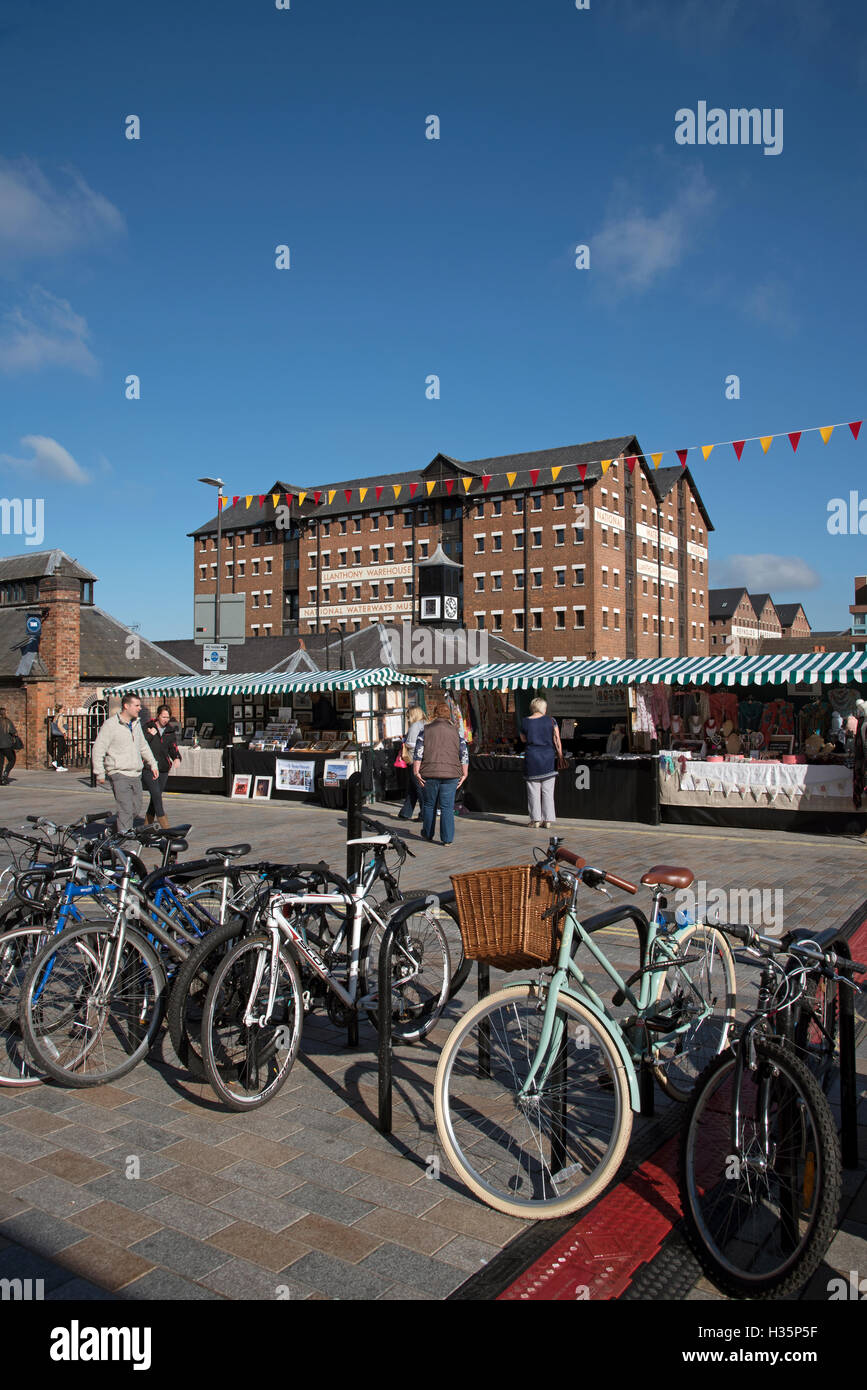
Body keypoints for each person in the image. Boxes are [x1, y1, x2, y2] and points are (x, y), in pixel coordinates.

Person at [91, 692, 160, 834]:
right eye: (137, 705)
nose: (140, 708)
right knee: (126, 809)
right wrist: (99, 772)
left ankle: (112, 832)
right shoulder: (111, 725)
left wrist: (153, 763)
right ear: (126, 706)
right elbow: (98, 749)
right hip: (119, 773)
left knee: (135, 809)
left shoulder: (136, 724)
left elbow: (143, 746)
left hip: (136, 774)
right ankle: (125, 846)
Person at [412, 702, 468, 846]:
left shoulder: (426, 730)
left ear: (435, 714)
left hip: (430, 772)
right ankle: (447, 839)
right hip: (451, 774)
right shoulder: (456, 732)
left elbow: (418, 752)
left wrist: (416, 771)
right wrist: (465, 773)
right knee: (447, 807)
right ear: (448, 715)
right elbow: (464, 753)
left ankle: (428, 833)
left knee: (429, 804)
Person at [520, 696, 563, 829]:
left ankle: (536, 820)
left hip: (532, 757)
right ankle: (548, 820)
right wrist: (560, 755)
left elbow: (523, 739)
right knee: (548, 791)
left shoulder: (525, 721)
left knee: (533, 790)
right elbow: (557, 739)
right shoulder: (551, 720)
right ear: (542, 707)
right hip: (548, 758)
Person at [142, 704, 182, 829]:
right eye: (163, 717)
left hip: (164, 768)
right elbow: (140, 744)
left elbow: (173, 747)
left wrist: (176, 757)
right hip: (149, 768)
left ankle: (146, 827)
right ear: (158, 716)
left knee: (155, 797)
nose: (165, 720)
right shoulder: (148, 727)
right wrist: (150, 735)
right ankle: (166, 828)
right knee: (156, 795)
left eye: (168, 717)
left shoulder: (170, 731)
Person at [397, 705, 426, 821]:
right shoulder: (426, 723)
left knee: (418, 787)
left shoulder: (415, 725)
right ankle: (405, 812)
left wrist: (404, 740)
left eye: (408, 716)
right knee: (413, 787)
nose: (408, 719)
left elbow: (411, 744)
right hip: (424, 759)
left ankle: (425, 814)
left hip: (414, 760)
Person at [0, 708, 21, 785]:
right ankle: (5, 773)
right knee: (12, 759)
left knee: (0, 762)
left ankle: (0, 778)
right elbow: (14, 733)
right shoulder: (7, 722)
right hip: (7, 745)